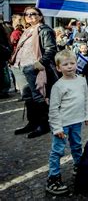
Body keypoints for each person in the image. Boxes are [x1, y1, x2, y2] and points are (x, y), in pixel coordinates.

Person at [46, 50, 88, 195]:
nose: (70, 66)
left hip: (77, 122)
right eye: (65, 64)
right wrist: (57, 128)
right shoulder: (58, 86)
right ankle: (53, 178)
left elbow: (85, 99)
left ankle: (79, 167)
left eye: (72, 63)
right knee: (58, 151)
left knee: (77, 146)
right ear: (59, 68)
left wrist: (87, 115)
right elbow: (53, 109)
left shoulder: (82, 80)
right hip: (62, 125)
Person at [10, 7, 58, 138]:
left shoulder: (45, 30)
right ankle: (32, 123)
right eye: (27, 14)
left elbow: (51, 49)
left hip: (34, 67)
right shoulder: (26, 31)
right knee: (27, 96)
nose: (29, 16)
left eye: (33, 14)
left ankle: (44, 125)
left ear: (40, 16)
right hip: (20, 67)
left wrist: (41, 63)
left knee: (38, 96)